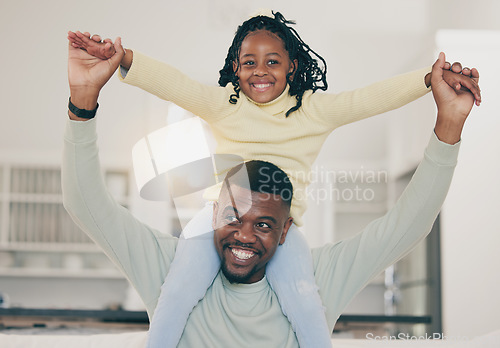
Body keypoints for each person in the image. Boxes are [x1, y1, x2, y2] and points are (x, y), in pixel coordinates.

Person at [67, 11, 480, 348]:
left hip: (288, 232)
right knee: (175, 292)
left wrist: (428, 83)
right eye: (249, 62)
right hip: (218, 227)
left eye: (272, 62)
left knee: (305, 304)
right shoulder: (224, 104)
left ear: (292, 67)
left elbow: (367, 101)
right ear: (235, 68)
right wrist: (122, 60)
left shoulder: (314, 111)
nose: (259, 72)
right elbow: (175, 84)